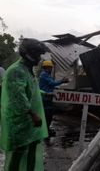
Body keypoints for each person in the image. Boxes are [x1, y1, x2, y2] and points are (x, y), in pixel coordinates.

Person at [0, 38, 49, 170]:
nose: (39, 58)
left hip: (30, 122)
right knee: (18, 153)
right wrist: (33, 115)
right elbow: (18, 97)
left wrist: (45, 93)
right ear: (28, 55)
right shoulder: (16, 71)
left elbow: (31, 90)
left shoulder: (28, 70)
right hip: (20, 121)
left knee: (32, 148)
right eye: (37, 55)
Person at [39, 60, 68, 136]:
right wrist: (62, 81)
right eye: (50, 67)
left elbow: (51, 84)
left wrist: (57, 88)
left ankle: (46, 129)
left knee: (49, 114)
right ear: (47, 67)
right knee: (47, 115)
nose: (51, 69)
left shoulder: (47, 75)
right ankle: (45, 131)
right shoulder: (44, 75)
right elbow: (52, 83)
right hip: (46, 98)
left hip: (49, 97)